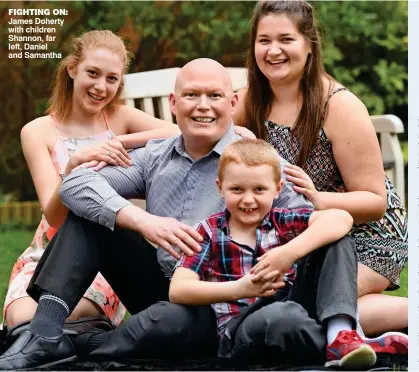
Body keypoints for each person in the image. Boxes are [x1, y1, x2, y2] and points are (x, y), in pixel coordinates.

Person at [0, 58, 313, 371]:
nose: (203, 106)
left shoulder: (259, 163)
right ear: (174, 104)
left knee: (169, 324)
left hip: (228, 301)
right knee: (90, 215)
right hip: (161, 286)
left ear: (232, 104)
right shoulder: (155, 156)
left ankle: (84, 343)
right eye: (191, 95)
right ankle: (45, 334)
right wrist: (143, 221)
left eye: (214, 96)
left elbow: (308, 222)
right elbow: (75, 185)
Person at [233, 0, 408, 337]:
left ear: (309, 45)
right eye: (264, 40)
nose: (273, 51)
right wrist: (121, 142)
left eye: (286, 39)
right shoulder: (250, 100)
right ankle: (378, 332)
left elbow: (375, 202)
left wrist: (317, 197)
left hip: (368, 237)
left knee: (303, 304)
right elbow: (190, 132)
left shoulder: (338, 105)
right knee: (290, 306)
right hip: (304, 234)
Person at [2, 30, 183, 333]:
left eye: (112, 79)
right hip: (48, 252)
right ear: (72, 69)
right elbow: (56, 215)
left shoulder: (121, 118)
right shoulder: (37, 131)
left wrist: (122, 141)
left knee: (72, 321)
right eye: (93, 73)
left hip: (105, 256)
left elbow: (180, 133)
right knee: (20, 320)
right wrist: (74, 163)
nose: (101, 87)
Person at [170, 138, 379, 369]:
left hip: (292, 307)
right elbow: (178, 289)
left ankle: (339, 337)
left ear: (278, 189)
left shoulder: (281, 221)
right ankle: (347, 345)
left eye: (259, 189)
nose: (248, 199)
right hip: (243, 328)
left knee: (337, 239)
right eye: (237, 189)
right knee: (284, 317)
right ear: (221, 188)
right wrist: (241, 288)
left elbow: (341, 218)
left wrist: (288, 253)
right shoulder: (209, 231)